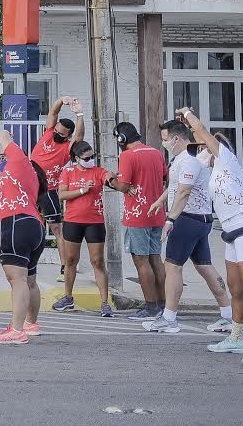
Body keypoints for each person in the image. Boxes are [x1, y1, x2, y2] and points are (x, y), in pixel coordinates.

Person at [182, 109, 243, 367]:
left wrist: (188, 115)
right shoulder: (215, 172)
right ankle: (237, 339)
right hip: (232, 235)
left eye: (204, 148)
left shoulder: (227, 159)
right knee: (236, 290)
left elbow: (203, 133)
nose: (201, 152)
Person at [143, 119, 234, 335]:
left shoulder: (190, 159)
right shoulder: (181, 159)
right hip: (199, 220)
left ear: (176, 138)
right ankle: (228, 316)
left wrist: (170, 219)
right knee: (205, 267)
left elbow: (184, 191)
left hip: (187, 219)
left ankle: (169, 319)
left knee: (172, 267)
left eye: (165, 139)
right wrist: (159, 201)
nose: (164, 143)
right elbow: (175, 186)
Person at [106, 121, 168, 320]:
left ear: (121, 139)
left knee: (141, 261)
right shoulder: (157, 153)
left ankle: (150, 307)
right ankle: (163, 305)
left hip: (137, 215)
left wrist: (109, 179)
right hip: (157, 212)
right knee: (155, 259)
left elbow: (123, 186)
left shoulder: (127, 155)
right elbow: (165, 177)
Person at [0, 125, 46, 345]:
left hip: (14, 223)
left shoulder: (20, 162)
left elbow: (3, 136)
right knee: (30, 280)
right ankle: (31, 324)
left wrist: (5, 133)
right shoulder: (31, 179)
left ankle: (17, 330)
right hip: (33, 225)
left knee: (18, 280)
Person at [52, 140, 115, 317]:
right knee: (71, 260)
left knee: (98, 261)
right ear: (77, 158)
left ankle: (105, 303)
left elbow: (108, 178)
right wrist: (82, 191)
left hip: (94, 222)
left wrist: (114, 179)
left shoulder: (98, 171)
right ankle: (68, 297)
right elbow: (62, 195)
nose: (90, 160)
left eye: (93, 156)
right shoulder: (68, 172)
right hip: (73, 221)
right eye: (87, 158)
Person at [32, 97, 84, 252]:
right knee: (24, 220)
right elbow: (53, 112)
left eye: (60, 133)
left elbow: (79, 137)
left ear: (67, 136)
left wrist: (79, 114)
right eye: (56, 130)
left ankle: (64, 267)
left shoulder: (68, 148)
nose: (56, 133)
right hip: (30, 184)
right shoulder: (48, 133)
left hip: (49, 189)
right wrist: (63, 100)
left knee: (56, 228)